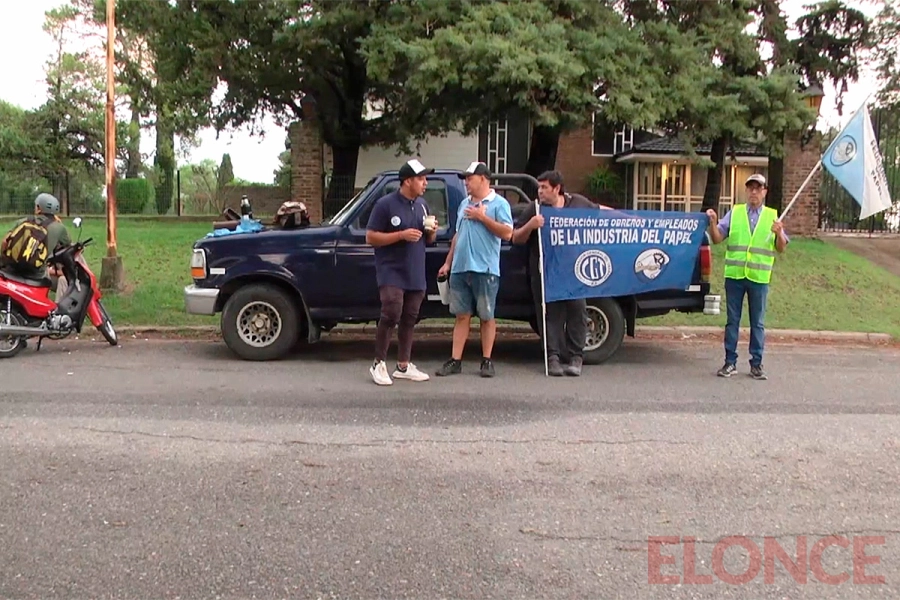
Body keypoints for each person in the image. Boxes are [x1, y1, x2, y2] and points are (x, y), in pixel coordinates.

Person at [512, 170, 600, 376]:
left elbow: (600, 214)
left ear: (557, 188)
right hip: (546, 272)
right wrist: (531, 225)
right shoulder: (534, 208)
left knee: (578, 312)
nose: (540, 191)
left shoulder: (577, 203)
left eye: (544, 187)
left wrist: (630, 217)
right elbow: (516, 238)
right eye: (539, 187)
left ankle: (576, 357)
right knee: (550, 315)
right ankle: (553, 358)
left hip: (574, 271)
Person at [706, 173, 789, 380]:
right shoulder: (735, 213)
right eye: (751, 188)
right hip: (735, 276)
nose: (754, 192)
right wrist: (714, 223)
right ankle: (730, 362)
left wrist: (779, 233)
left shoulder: (773, 216)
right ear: (747, 191)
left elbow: (781, 248)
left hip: (758, 278)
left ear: (764, 192)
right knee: (732, 321)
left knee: (757, 323)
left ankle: (756, 364)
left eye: (758, 188)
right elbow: (717, 239)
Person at [436, 161, 513, 378]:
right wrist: (448, 263)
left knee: (486, 316)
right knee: (462, 315)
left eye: (470, 178)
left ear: (483, 178)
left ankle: (486, 360)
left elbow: (507, 233)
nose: (467, 183)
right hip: (461, 268)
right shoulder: (464, 204)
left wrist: (483, 218)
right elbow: (457, 235)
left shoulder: (499, 204)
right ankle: (455, 360)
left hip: (485, 268)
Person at [365, 158, 438, 386]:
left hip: (415, 271)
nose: (425, 183)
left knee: (410, 317)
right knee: (391, 312)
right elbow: (371, 237)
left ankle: (403, 365)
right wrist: (400, 235)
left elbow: (430, 240)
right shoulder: (385, 204)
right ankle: (378, 363)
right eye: (421, 178)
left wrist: (432, 231)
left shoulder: (423, 205)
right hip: (391, 270)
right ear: (407, 181)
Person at [1, 193, 71, 295]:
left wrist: (3, 260)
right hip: (37, 275)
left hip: (11, 269)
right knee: (46, 273)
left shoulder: (23, 221)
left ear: (38, 208)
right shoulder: (59, 228)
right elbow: (68, 245)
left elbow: (4, 242)